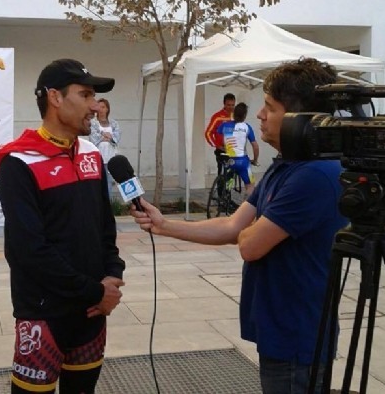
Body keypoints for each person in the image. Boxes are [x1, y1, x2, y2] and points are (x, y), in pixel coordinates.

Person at [130, 58, 348, 394]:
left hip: (298, 335)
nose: (259, 115)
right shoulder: (286, 165)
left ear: (299, 118)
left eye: (270, 107)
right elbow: (234, 225)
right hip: (277, 327)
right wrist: (164, 225)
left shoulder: (315, 176)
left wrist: (255, 227)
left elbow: (248, 244)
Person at [0, 59, 126, 394]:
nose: (95, 107)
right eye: (86, 95)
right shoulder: (19, 162)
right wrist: (96, 291)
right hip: (43, 314)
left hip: (92, 311)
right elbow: (27, 251)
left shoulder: (92, 154)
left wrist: (113, 274)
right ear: (55, 97)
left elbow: (105, 229)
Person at [217, 102, 260, 195]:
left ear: (234, 113)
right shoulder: (247, 127)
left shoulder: (224, 125)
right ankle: (246, 205)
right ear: (244, 115)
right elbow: (255, 146)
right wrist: (255, 160)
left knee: (227, 181)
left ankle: (225, 197)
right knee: (250, 185)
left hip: (228, 159)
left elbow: (218, 136)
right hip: (242, 161)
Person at [89, 98, 121, 197]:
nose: (101, 109)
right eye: (99, 107)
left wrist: (106, 136)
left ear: (107, 109)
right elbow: (93, 137)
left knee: (108, 181)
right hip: (98, 156)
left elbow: (117, 136)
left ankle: (108, 203)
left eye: (103, 107)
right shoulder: (93, 123)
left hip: (111, 156)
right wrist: (105, 136)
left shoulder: (113, 123)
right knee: (97, 181)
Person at [205, 92, 236, 176]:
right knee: (222, 173)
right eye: (228, 105)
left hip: (233, 149)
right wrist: (216, 145)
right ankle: (220, 189)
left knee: (231, 174)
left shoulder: (236, 116)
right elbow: (208, 133)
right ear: (224, 104)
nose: (231, 107)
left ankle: (229, 188)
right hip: (221, 150)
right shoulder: (217, 117)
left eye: (233, 105)